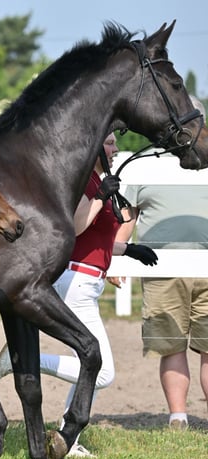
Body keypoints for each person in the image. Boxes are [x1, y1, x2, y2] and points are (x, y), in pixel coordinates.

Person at [0, 131, 158, 458]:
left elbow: (96, 239)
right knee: (101, 370)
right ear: (95, 148)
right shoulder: (83, 181)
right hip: (76, 282)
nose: (116, 148)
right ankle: (20, 361)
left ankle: (70, 439)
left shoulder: (97, 181)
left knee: (91, 365)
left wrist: (128, 250)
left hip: (88, 281)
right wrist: (99, 197)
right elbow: (77, 226)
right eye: (110, 143)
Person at [112, 96, 208, 431]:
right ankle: (178, 417)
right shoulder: (145, 165)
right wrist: (118, 259)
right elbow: (128, 216)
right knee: (171, 346)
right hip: (161, 270)